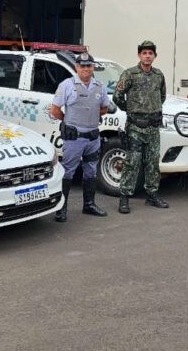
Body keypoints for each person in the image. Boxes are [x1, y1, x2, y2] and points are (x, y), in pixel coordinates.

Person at [50, 52, 115, 222]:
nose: (85, 69)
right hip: (74, 138)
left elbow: (104, 108)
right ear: (76, 67)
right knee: (68, 172)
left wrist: (90, 115)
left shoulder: (100, 86)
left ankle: (89, 205)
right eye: (82, 66)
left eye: (89, 66)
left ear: (93, 67)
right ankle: (61, 208)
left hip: (93, 137)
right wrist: (69, 122)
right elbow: (55, 110)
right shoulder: (67, 85)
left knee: (91, 170)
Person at [113, 40, 169, 214]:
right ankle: (124, 197)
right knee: (132, 162)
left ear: (154, 56)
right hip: (136, 127)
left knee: (153, 162)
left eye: (150, 53)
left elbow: (162, 96)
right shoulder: (129, 74)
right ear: (139, 55)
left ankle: (152, 195)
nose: (147, 56)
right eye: (144, 53)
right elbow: (117, 96)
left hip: (153, 127)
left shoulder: (158, 75)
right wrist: (131, 111)